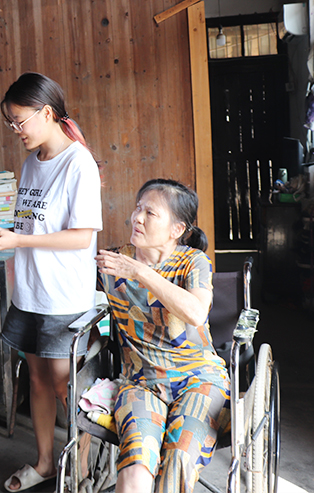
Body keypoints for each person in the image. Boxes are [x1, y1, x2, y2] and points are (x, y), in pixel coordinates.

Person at [0, 72, 103, 492]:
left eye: (19, 121)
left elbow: (81, 237)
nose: (15, 129)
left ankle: (80, 470)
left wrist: (18, 239)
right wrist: (2, 232)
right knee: (36, 380)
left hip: (63, 297)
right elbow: (32, 224)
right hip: (30, 291)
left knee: (66, 385)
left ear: (46, 113)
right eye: (10, 122)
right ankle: (46, 463)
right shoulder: (33, 161)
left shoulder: (78, 163)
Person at [95, 179, 230, 493]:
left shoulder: (193, 262)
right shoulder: (114, 262)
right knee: (136, 465)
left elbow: (196, 312)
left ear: (176, 229)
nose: (137, 218)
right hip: (141, 382)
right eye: (138, 208)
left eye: (150, 213)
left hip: (200, 379)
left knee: (179, 459)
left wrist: (140, 272)